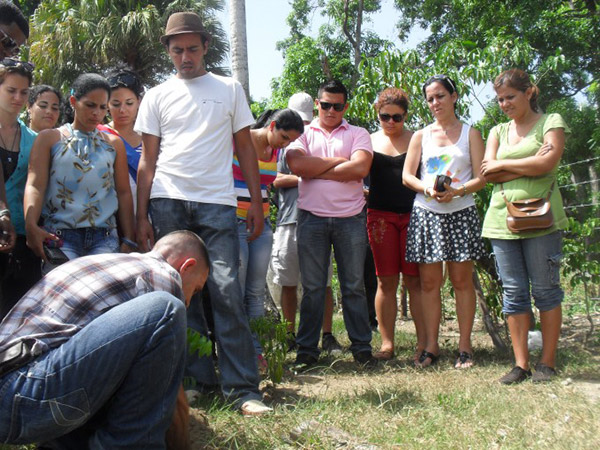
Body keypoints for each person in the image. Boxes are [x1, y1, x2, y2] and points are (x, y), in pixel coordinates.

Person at [134, 12, 270, 414]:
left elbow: (245, 147)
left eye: (193, 48)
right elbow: (147, 160)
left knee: (227, 290)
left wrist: (258, 202)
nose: (185, 57)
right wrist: (142, 216)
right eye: (177, 50)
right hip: (168, 201)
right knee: (180, 294)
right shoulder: (156, 95)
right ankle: (193, 381)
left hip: (218, 204)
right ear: (168, 52)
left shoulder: (229, 89)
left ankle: (243, 389)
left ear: (206, 46)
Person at [0, 230, 209, 448]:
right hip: (26, 390)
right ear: (187, 266)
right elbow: (171, 398)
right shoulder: (160, 274)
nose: (188, 302)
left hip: (15, 391)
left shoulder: (106, 263)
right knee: (167, 310)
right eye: (195, 290)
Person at [481, 69, 570, 384]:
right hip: (501, 221)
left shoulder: (551, 122)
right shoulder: (497, 132)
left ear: (529, 92)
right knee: (514, 293)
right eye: (500, 99)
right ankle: (521, 365)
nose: (504, 104)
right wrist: (528, 163)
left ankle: (547, 363)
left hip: (543, 221)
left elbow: (548, 163)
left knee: (546, 291)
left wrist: (503, 165)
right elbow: (487, 174)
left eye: (511, 97)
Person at [287, 79, 376, 369]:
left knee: (354, 286)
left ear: (345, 106)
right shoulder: (302, 133)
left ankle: (362, 348)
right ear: (317, 103)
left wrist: (318, 168)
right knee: (312, 288)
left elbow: (361, 168)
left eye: (337, 106)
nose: (331, 111)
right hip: (311, 218)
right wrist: (340, 162)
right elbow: (298, 166)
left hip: (351, 218)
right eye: (326, 105)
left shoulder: (359, 132)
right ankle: (307, 352)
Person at [402, 74, 486, 369]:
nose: (435, 103)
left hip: (461, 212)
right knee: (429, 283)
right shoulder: (420, 136)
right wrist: (428, 189)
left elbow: (482, 176)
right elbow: (407, 175)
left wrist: (457, 191)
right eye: (430, 98)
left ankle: (465, 347)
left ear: (454, 96)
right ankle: (431, 345)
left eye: (440, 96)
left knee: (462, 282)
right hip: (427, 213)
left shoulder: (470, 134)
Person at [24, 73, 136, 274]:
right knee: (63, 301)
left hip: (105, 238)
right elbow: (35, 185)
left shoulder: (113, 144)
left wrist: (128, 238)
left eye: (103, 107)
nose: (97, 113)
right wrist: (31, 225)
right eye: (90, 105)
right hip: (59, 237)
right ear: (74, 102)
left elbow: (123, 192)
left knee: (104, 303)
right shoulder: (50, 139)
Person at [271, 92, 343, 354]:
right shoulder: (280, 143)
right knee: (288, 282)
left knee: (322, 283)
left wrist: (315, 172)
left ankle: (327, 335)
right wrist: (308, 176)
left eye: (303, 122)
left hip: (317, 218)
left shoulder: (314, 140)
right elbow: (275, 178)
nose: (297, 129)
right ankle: (289, 335)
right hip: (289, 220)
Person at [234, 108, 304, 369]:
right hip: (235, 220)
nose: (285, 145)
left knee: (254, 292)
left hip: (262, 223)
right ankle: (237, 353)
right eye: (284, 137)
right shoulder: (240, 139)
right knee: (237, 291)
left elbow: (267, 185)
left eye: (290, 141)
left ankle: (256, 353)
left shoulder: (276, 151)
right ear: (272, 125)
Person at [367, 87, 425, 361]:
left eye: (397, 117)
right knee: (385, 281)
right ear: (377, 114)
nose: (390, 122)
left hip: (415, 215)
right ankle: (387, 344)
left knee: (415, 281)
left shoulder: (419, 140)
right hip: (379, 217)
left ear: (405, 116)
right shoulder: (366, 141)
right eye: (385, 116)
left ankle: (423, 344)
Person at [0, 59, 39, 320]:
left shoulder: (34, 140)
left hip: (22, 241)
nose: (17, 97)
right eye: (11, 90)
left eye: (24, 92)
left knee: (18, 320)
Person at [98, 69, 143, 212]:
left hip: (149, 213)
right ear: (107, 105)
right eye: (116, 104)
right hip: (112, 214)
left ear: (139, 102)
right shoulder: (99, 135)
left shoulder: (151, 136)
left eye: (129, 103)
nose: (123, 110)